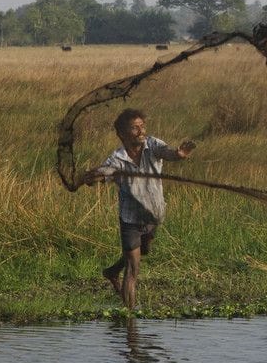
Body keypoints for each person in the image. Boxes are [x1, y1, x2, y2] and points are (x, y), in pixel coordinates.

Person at [81, 108, 195, 310]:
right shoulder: (117, 159)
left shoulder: (153, 145)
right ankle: (130, 317)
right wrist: (91, 177)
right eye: (135, 128)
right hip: (130, 219)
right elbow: (103, 173)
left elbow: (168, 153)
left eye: (142, 126)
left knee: (145, 250)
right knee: (132, 270)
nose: (141, 131)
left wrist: (179, 154)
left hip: (154, 214)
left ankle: (112, 271)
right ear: (122, 134)